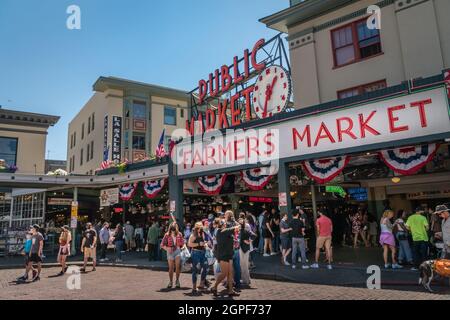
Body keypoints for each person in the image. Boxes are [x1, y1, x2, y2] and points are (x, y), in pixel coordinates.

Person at [212, 218, 241, 297]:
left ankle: (231, 291)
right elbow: (237, 227)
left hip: (229, 254)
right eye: (225, 223)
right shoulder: (222, 231)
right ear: (222, 224)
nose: (226, 224)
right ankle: (214, 287)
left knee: (230, 273)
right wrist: (238, 222)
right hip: (223, 255)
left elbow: (230, 237)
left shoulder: (224, 231)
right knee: (224, 273)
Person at [161, 222, 185, 289]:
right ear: (170, 229)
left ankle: (177, 281)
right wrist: (167, 248)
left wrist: (182, 247)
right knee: (171, 268)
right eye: (172, 230)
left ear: (176, 229)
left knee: (178, 267)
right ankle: (170, 281)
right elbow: (162, 244)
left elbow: (183, 243)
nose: (173, 231)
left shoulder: (179, 234)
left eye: (174, 230)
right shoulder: (167, 235)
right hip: (170, 251)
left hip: (177, 250)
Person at [187, 222, 209, 294]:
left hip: (203, 252)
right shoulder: (193, 235)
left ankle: (201, 285)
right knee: (195, 270)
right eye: (199, 227)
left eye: (201, 227)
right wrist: (198, 244)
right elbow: (189, 244)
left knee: (205, 267)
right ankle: (194, 287)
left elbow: (203, 242)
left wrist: (205, 244)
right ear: (196, 228)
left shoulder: (202, 233)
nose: (200, 228)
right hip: (195, 253)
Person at [239, 215, 252, 286]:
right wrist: (249, 241)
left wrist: (248, 241)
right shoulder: (245, 229)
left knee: (244, 265)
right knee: (244, 265)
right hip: (245, 248)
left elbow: (253, 235)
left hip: (243, 249)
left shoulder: (243, 230)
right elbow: (253, 235)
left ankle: (246, 280)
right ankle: (247, 279)